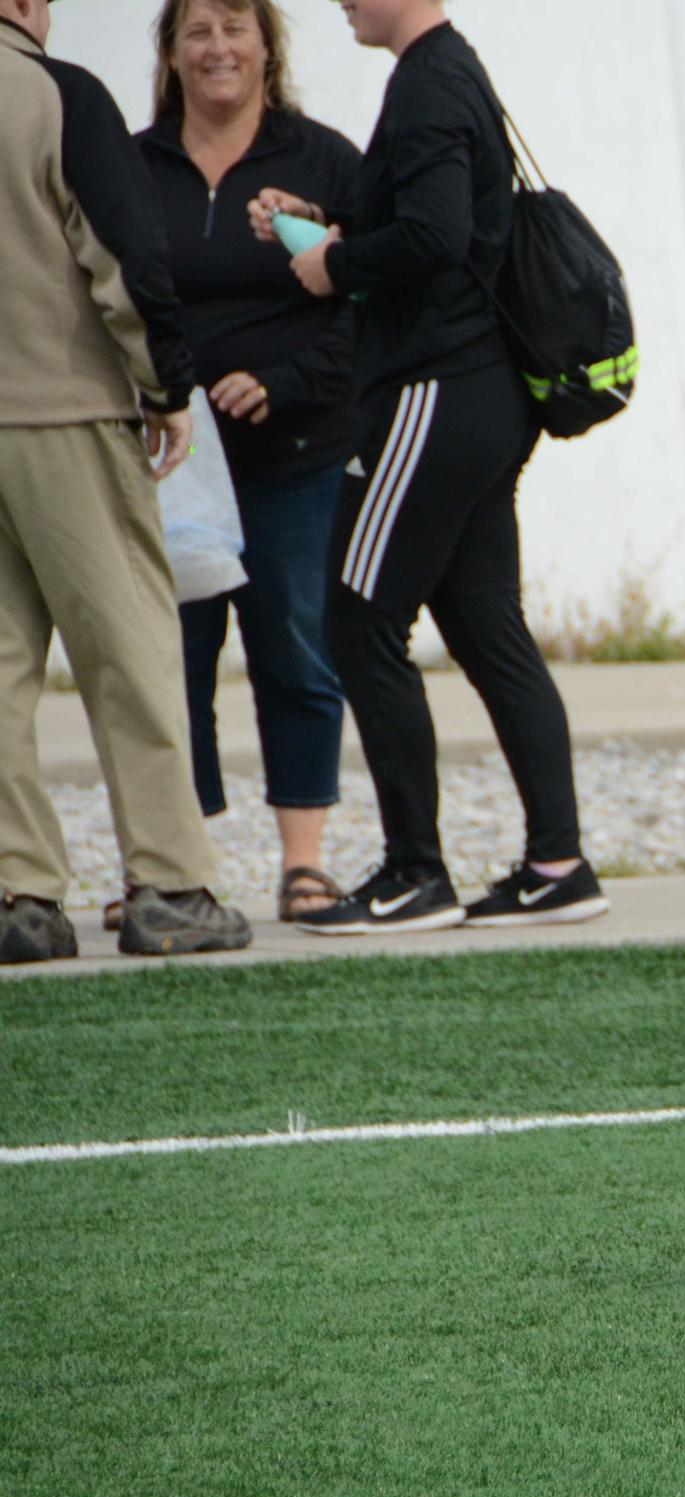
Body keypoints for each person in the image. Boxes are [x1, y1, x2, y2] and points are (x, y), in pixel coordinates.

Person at [252, 0, 606, 933]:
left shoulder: (427, 84)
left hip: (435, 392)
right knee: (487, 628)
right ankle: (558, 865)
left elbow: (436, 238)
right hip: (482, 395)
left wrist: (336, 266)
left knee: (356, 618)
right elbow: (437, 224)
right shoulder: (450, 70)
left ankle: (415, 872)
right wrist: (324, 228)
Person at [0, 0, 252, 964]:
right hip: (63, 409)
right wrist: (166, 386)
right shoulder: (56, 93)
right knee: (130, 653)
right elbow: (122, 255)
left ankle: (19, 895)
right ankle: (169, 883)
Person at [137, 0, 361, 923]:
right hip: (171, 466)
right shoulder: (131, 165)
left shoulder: (324, 162)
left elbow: (370, 303)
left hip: (297, 455)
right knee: (170, 663)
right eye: (197, 31)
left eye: (236, 26)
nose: (217, 47)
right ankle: (176, 871)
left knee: (296, 650)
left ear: (268, 46)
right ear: (171, 53)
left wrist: (287, 381)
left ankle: (303, 864)